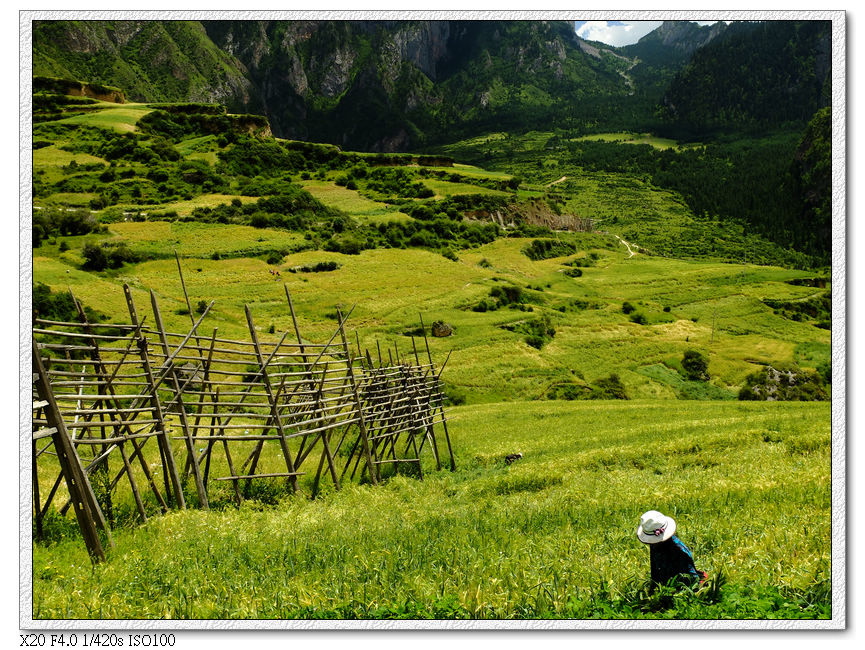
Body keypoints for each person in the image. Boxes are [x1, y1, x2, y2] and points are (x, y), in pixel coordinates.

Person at [636, 510, 707, 589]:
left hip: (681, 586)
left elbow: (691, 579)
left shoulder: (679, 551)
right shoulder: (655, 546)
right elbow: (655, 568)